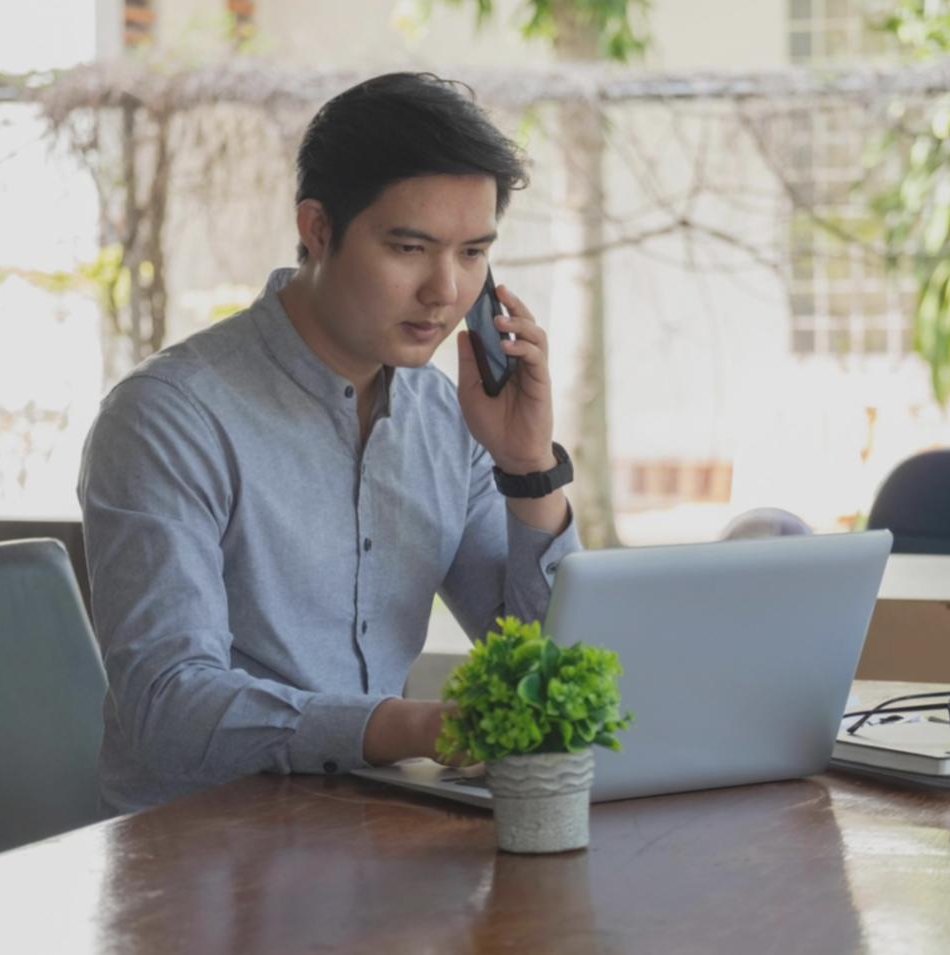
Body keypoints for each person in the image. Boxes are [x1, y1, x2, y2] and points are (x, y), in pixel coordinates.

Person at [77, 73, 580, 813]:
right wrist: (415, 728)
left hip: (370, 829)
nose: (445, 291)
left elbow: (545, 667)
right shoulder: (169, 417)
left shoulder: (447, 418)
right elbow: (168, 705)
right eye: (409, 247)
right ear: (317, 229)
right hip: (195, 848)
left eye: (473, 253)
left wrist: (528, 467)